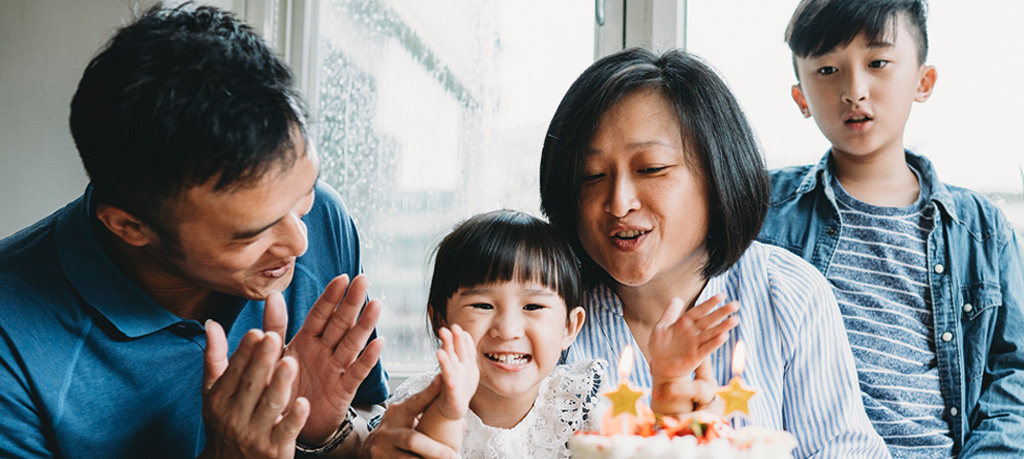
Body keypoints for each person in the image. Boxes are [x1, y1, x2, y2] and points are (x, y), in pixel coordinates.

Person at [366, 48, 891, 458]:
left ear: (717, 173)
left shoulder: (788, 294)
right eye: (592, 176)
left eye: (651, 169)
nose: (617, 202)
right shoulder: (542, 311)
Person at [0, 5, 389, 458]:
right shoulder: (12, 340)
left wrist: (323, 433)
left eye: (302, 196)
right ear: (130, 226)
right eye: (250, 235)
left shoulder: (321, 215)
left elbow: (367, 416)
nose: (300, 242)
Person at [756, 0, 1024, 456]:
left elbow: (1013, 375)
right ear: (800, 96)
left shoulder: (981, 229)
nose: (854, 90)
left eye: (878, 62)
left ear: (923, 81)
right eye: (826, 70)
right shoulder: (762, 210)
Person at [388, 209, 606, 458]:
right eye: (483, 305)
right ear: (441, 321)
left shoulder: (580, 404)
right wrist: (448, 410)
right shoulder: (420, 402)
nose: (507, 330)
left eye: (533, 306)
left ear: (569, 327)